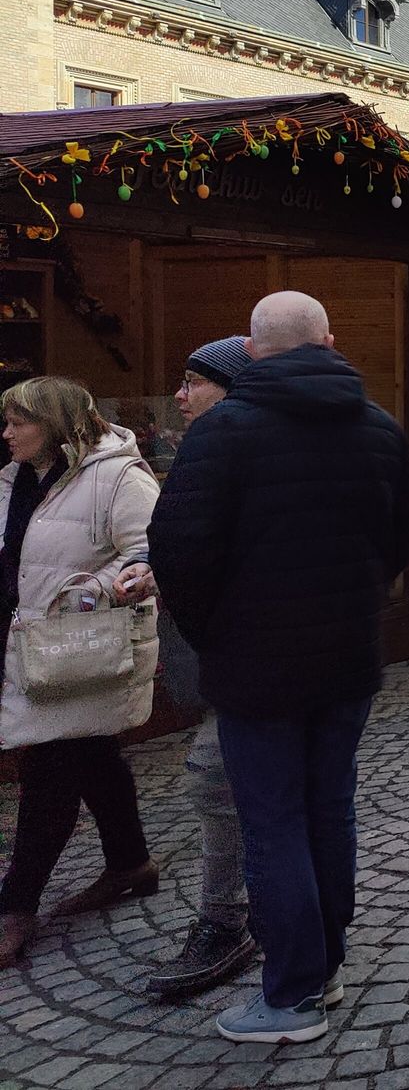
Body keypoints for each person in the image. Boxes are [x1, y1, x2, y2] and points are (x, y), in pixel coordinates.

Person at [149, 292, 409, 1045]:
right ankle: (324, 966)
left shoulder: (222, 433)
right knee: (327, 810)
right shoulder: (377, 426)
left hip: (254, 664)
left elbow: (177, 550)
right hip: (345, 656)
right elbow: (408, 532)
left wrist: (218, 633)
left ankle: (293, 994)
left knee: (271, 821)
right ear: (329, 340)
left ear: (253, 348)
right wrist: (356, 599)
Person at [0, 377, 161, 970]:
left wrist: (100, 587)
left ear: (58, 424)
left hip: (76, 647)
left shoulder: (118, 475)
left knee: (47, 769)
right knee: (90, 754)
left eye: (20, 421)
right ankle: (130, 863)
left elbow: (148, 550)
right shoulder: (14, 477)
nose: (8, 432)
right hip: (23, 645)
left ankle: (14, 906)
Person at [119, 338, 259, 1001]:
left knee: (215, 781)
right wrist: (153, 565)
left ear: (228, 390)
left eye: (192, 383)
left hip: (248, 659)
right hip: (224, 660)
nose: (179, 395)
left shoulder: (242, 455)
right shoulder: (206, 453)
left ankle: (228, 921)